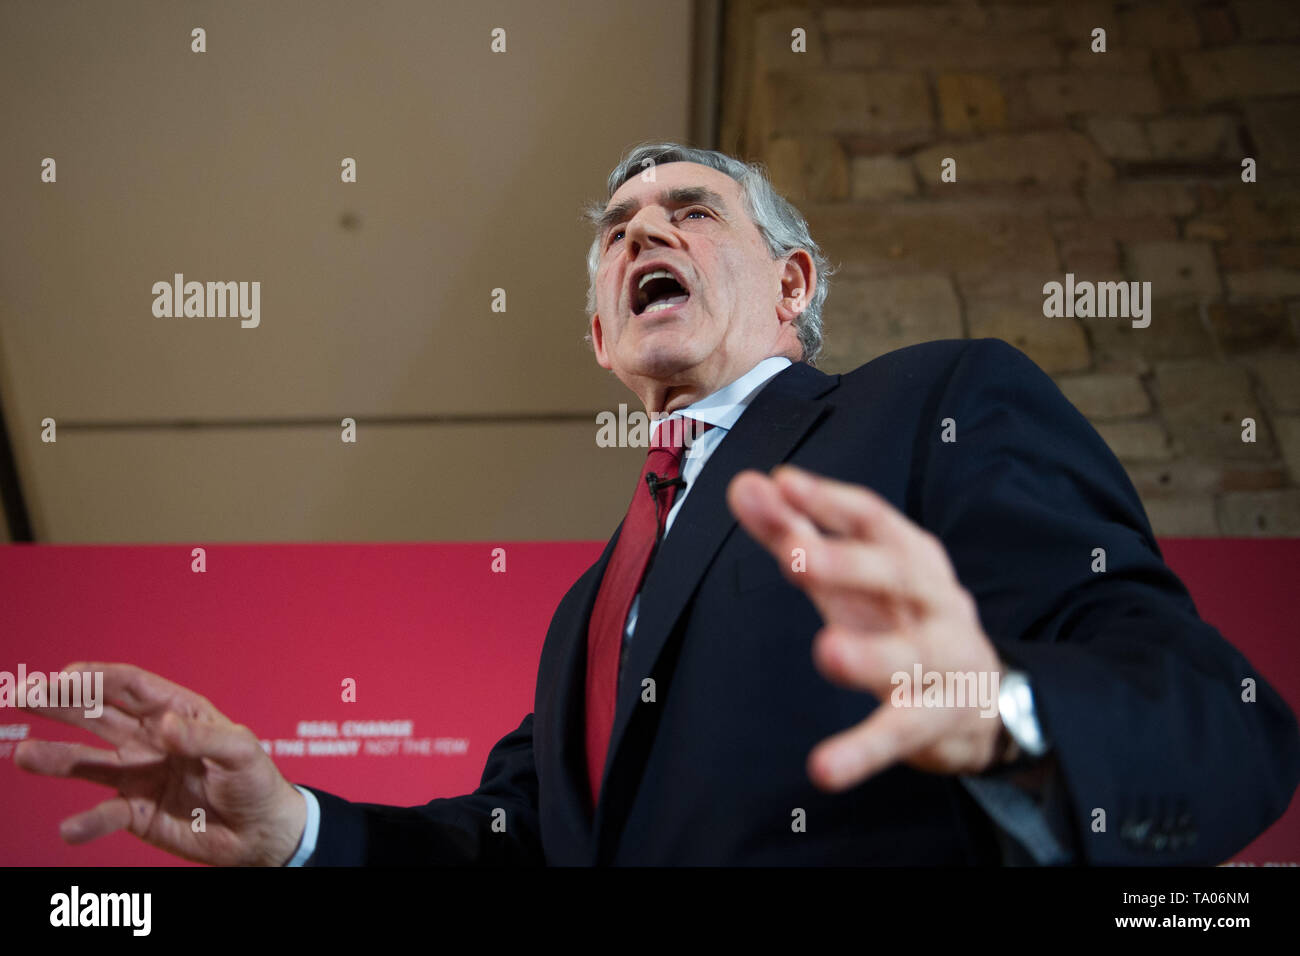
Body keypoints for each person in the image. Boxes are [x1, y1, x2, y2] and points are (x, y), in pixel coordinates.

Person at [17, 142, 1300, 865]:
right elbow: (515, 850)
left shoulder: (937, 401)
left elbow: (1219, 715)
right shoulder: (589, 609)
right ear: (596, 332)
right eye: (620, 229)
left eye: (688, 210)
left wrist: (1003, 710)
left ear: (792, 280)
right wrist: (296, 826)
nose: (644, 235)